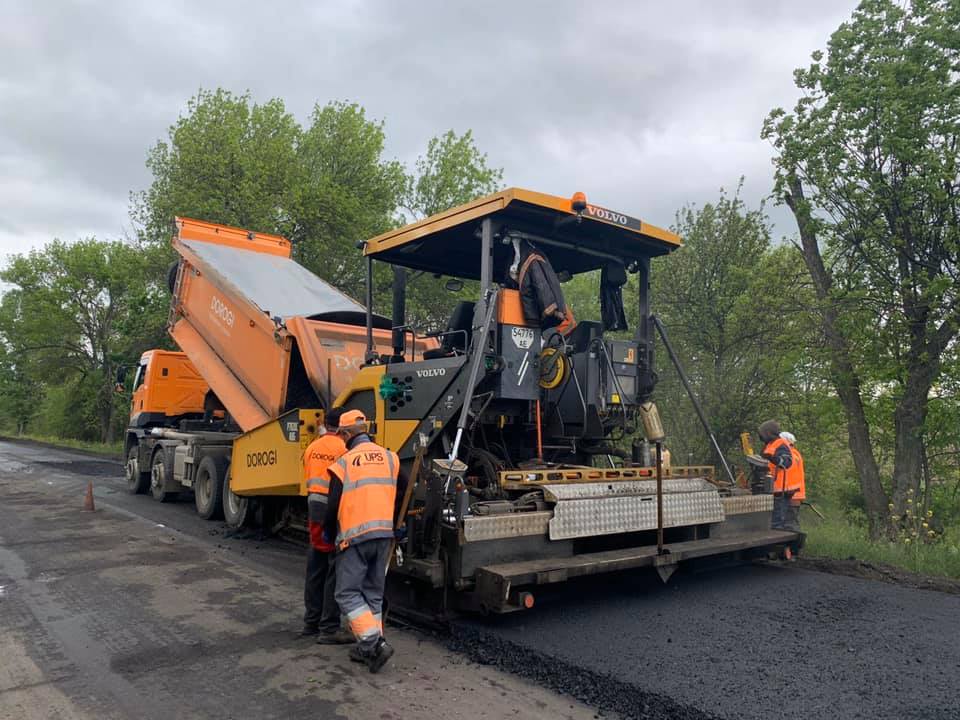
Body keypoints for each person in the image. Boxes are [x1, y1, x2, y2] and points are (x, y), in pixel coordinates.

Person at [324, 410, 407, 673]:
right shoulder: (390, 458)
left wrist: (328, 531)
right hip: (383, 535)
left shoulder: (345, 462)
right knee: (372, 592)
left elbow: (332, 504)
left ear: (347, 434)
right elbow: (405, 489)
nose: (342, 440)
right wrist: (397, 522)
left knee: (346, 593)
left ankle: (373, 643)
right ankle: (368, 649)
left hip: (354, 536)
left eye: (341, 435)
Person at [300, 407, 353, 644]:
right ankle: (329, 628)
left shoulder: (312, 447)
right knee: (334, 566)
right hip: (334, 510)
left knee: (316, 564)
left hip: (314, 508)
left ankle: (311, 622)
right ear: (342, 428)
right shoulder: (344, 450)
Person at [758, 420, 802, 531]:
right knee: (774, 520)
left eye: (762, 434)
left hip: (781, 490)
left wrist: (772, 458)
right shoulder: (769, 445)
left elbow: (786, 463)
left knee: (777, 522)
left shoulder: (781, 444)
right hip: (774, 489)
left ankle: (781, 545)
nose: (761, 436)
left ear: (768, 433)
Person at [780, 430, 807, 517]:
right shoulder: (795, 454)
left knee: (789, 525)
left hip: (790, 496)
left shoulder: (787, 456)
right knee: (791, 523)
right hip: (795, 495)